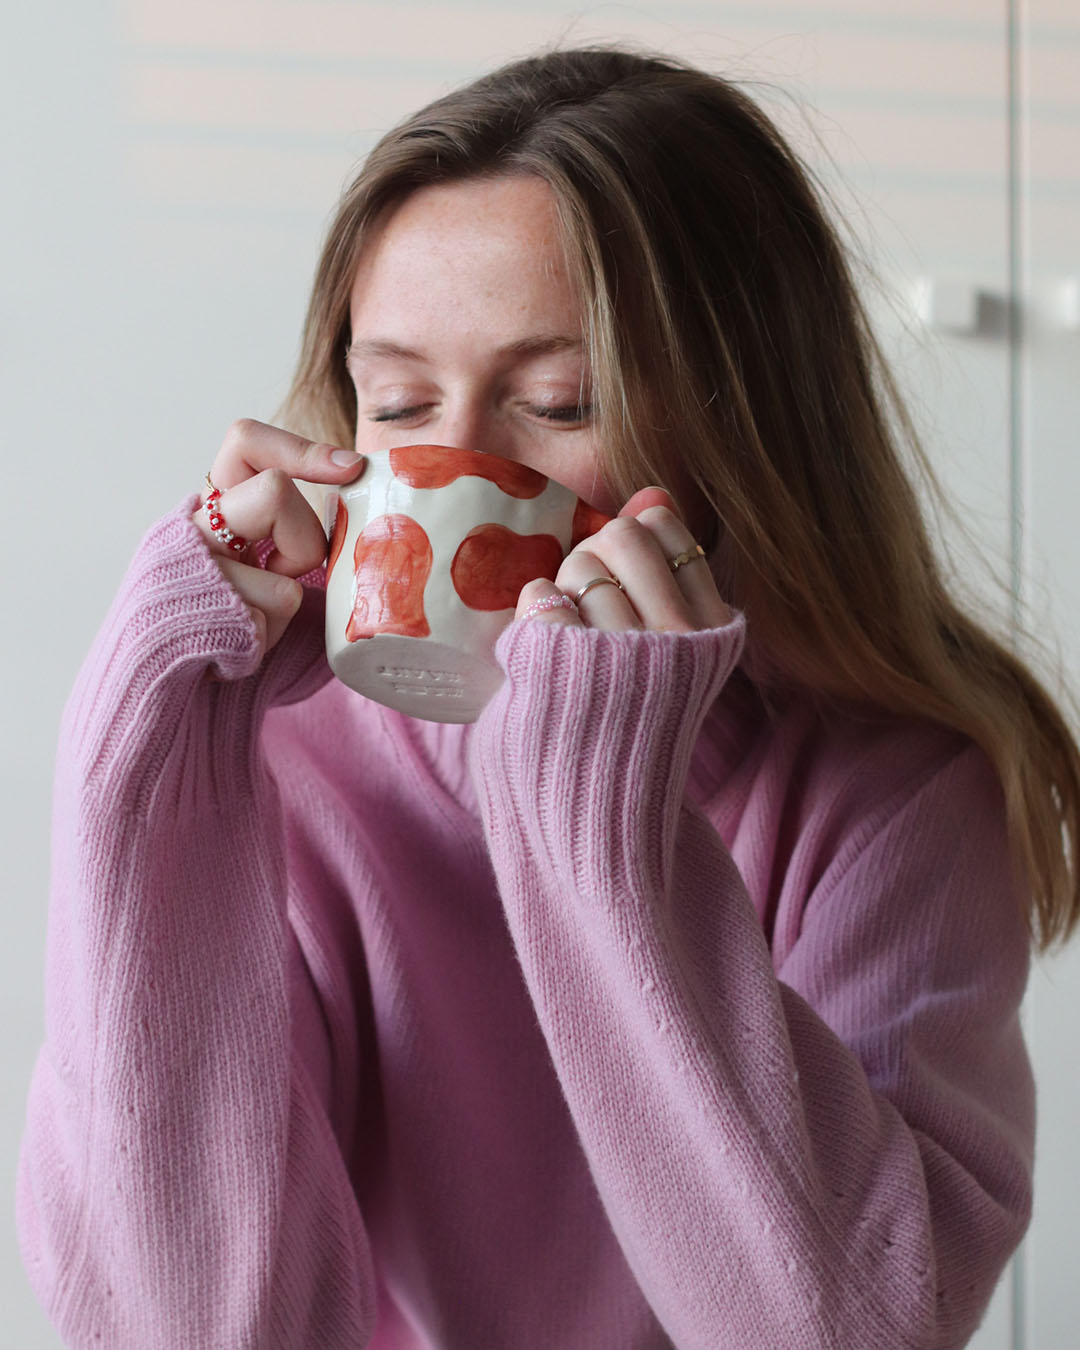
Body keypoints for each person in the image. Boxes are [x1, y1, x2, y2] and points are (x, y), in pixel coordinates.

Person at [17, 45, 1080, 1350]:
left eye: (558, 400)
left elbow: (848, 1329)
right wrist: (150, 756)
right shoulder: (290, 757)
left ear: (736, 436)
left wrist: (598, 818)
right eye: (398, 397)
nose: (455, 460)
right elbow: (181, 1326)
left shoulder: (898, 789)